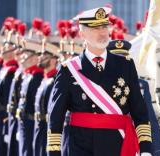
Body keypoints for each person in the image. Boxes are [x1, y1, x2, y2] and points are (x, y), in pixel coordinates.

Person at [47, 7, 152, 156]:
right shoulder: (68, 70)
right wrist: (54, 152)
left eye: (105, 27)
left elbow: (139, 111)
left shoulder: (125, 65)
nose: (103, 32)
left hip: (117, 145)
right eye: (96, 28)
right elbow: (56, 117)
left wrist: (146, 149)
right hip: (80, 147)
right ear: (82, 34)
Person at [107, 39, 160, 156]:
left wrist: (157, 148)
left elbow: (148, 117)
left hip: (134, 141)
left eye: (123, 59)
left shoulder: (141, 85)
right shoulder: (99, 84)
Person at [0, 33, 19, 156]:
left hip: (3, 119)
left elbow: (8, 99)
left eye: (6, 47)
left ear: (13, 51)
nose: (2, 49)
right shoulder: (4, 69)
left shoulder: (11, 72)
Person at [16, 40, 43, 156]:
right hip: (24, 122)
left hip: (31, 123)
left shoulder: (38, 77)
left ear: (34, 58)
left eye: (26, 54)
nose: (22, 57)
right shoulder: (29, 75)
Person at [32, 42, 59, 156]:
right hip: (39, 126)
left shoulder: (55, 81)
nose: (40, 57)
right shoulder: (45, 79)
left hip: (47, 129)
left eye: (44, 55)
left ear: (53, 60)